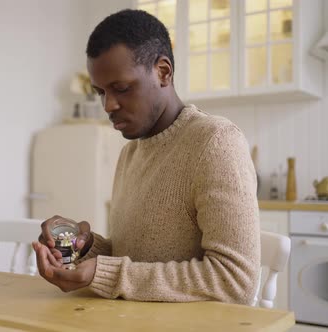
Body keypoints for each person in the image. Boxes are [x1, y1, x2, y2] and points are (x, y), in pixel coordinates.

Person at [32, 9, 260, 304]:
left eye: (121, 89)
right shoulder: (131, 152)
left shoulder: (215, 142)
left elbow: (235, 281)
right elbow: (135, 259)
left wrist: (105, 274)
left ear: (163, 72)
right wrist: (84, 245)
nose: (108, 105)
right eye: (100, 92)